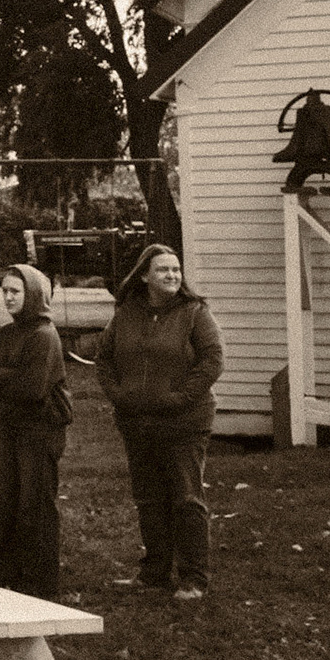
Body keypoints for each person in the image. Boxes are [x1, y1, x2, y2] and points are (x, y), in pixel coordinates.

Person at [95, 243, 224, 600]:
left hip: (185, 423)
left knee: (186, 497)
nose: (172, 275)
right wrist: (119, 396)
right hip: (137, 424)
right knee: (149, 499)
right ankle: (154, 572)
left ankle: (194, 578)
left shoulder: (195, 313)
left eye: (176, 270)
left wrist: (179, 398)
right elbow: (103, 360)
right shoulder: (125, 313)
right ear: (144, 276)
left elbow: (212, 361)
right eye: (164, 270)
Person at [0, 263, 71, 599]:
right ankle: (7, 574)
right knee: (3, 501)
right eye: (4, 291)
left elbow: (33, 389)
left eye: (15, 291)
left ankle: (39, 582)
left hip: (41, 429)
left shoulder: (44, 336)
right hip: (11, 427)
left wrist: (5, 380)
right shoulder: (2, 335)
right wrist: (10, 377)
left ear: (33, 293)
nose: (8, 298)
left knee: (35, 504)